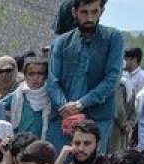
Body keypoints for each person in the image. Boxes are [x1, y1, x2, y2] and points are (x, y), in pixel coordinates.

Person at [46, 0, 124, 153]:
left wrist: (81, 104)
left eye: (94, 12)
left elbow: (112, 78)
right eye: (84, 12)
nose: (89, 18)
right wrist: (67, 108)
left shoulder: (113, 38)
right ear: (75, 13)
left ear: (101, 11)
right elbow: (52, 80)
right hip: (63, 119)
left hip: (97, 118)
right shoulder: (61, 42)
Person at [4, 56, 51, 140]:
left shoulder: (50, 96)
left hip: (41, 144)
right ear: (25, 75)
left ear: (46, 76)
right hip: (19, 144)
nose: (35, 78)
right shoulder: (18, 95)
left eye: (40, 73)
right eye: (31, 74)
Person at [111, 78, 135, 154]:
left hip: (115, 130)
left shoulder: (119, 84)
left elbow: (119, 110)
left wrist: (124, 125)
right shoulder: (129, 83)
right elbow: (134, 112)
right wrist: (129, 124)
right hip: (123, 131)